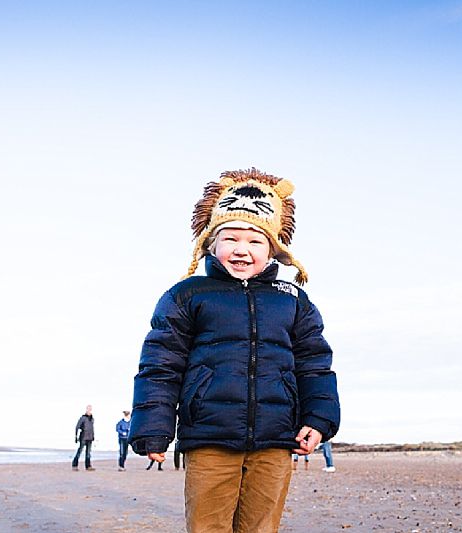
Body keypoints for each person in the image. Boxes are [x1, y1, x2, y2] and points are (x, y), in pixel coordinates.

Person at [129, 168, 340, 533]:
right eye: (230, 238)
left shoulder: (293, 301)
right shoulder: (186, 295)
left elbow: (314, 365)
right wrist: (153, 427)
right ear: (211, 244)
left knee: (261, 525)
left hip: (276, 438)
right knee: (208, 526)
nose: (242, 249)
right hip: (209, 436)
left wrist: (319, 419)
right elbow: (160, 367)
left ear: (275, 249)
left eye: (255, 241)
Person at [72, 404, 95, 471]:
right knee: (80, 451)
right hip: (83, 437)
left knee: (88, 453)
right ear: (86, 409)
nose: (89, 410)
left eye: (90, 409)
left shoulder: (92, 418)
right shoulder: (83, 418)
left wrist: (93, 436)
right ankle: (74, 465)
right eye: (88, 409)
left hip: (90, 437)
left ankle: (88, 466)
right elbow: (77, 427)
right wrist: (76, 437)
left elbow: (92, 428)